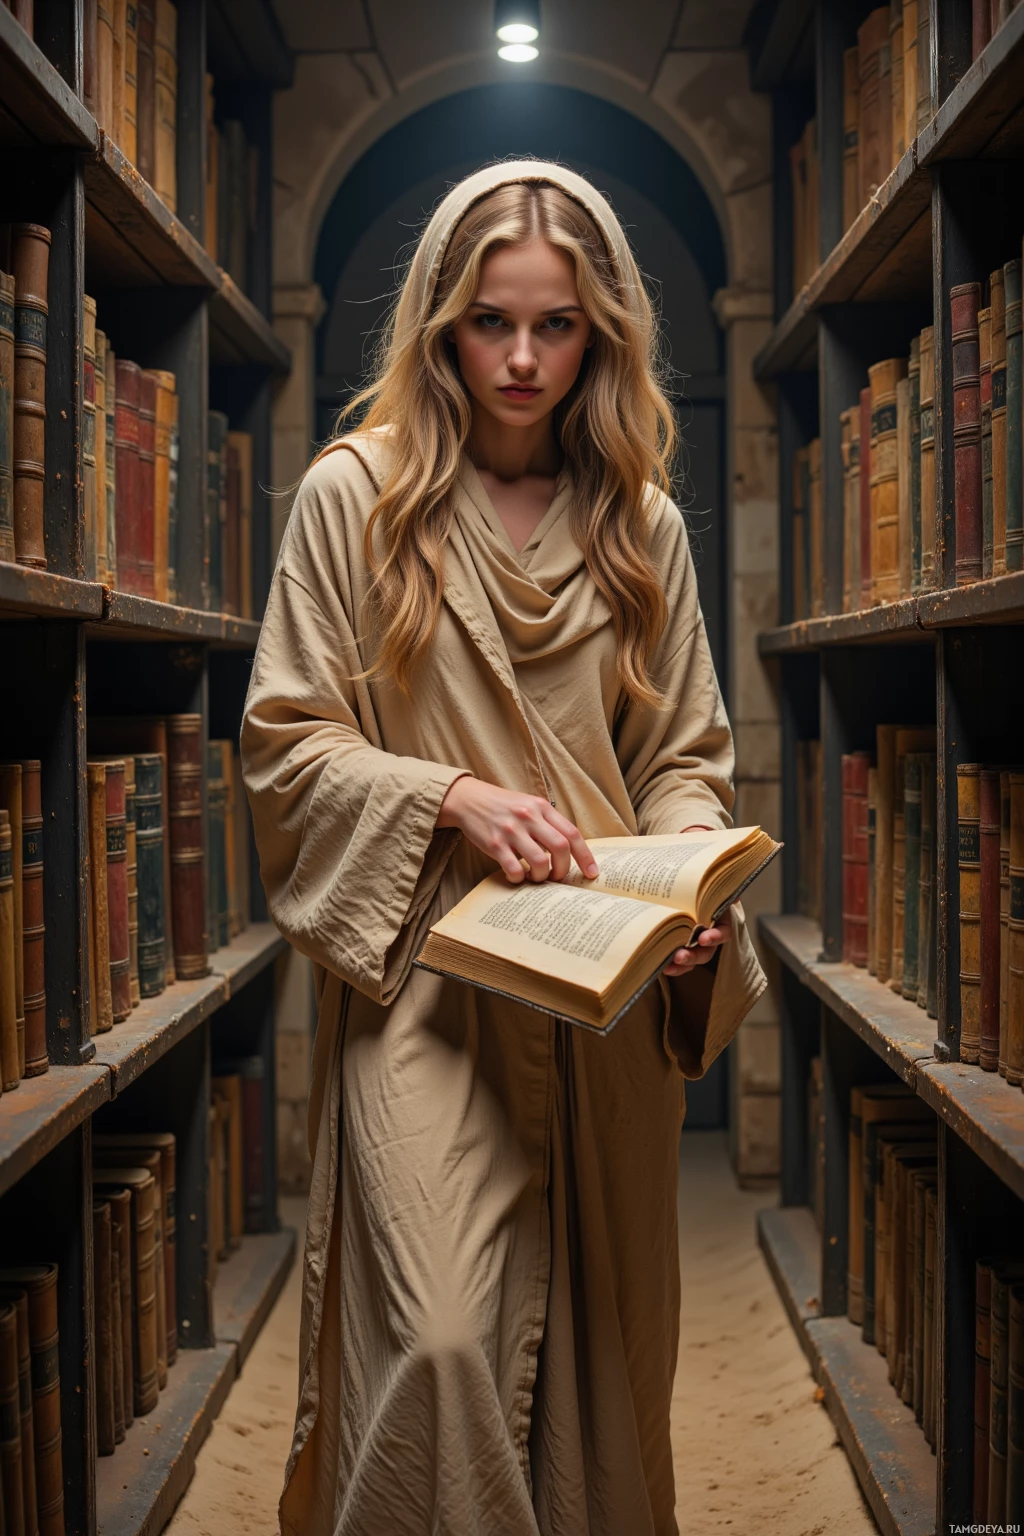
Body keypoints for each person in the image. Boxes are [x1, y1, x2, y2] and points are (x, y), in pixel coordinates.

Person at [241, 160, 766, 1536]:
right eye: (490, 323)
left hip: (602, 997)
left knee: (602, 1364)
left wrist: (688, 885)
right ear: (438, 323)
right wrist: (451, 799)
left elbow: (683, 763)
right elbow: (288, 744)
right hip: (425, 983)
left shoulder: (641, 522)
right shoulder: (353, 500)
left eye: (557, 324)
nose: (523, 359)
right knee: (440, 1343)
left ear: (602, 331)